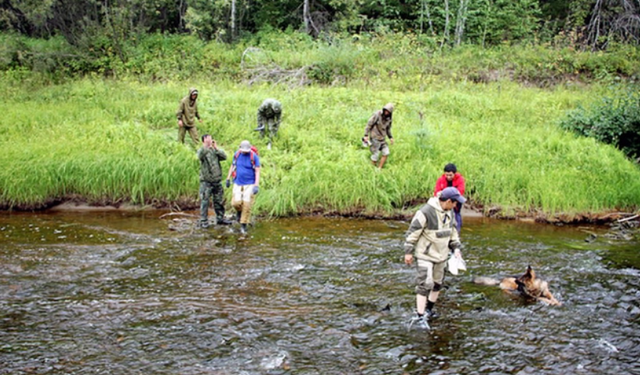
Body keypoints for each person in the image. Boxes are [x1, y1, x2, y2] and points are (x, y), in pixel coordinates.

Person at [404, 187, 466, 330]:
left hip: (442, 255)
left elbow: (453, 233)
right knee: (425, 283)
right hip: (425, 255)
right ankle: (420, 316)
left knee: (438, 283)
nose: (456, 206)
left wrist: (456, 249)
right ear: (449, 201)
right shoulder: (425, 212)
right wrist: (408, 251)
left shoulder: (450, 212)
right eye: (455, 203)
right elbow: (412, 232)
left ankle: (429, 310)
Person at [225, 140, 261, 234]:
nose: (244, 152)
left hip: (250, 183)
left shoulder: (254, 157)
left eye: (246, 151)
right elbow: (232, 166)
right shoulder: (237, 154)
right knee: (235, 203)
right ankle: (239, 212)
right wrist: (228, 178)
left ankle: (243, 225)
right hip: (237, 182)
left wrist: (256, 185)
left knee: (247, 205)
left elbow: (257, 171)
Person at [197, 134, 232, 228]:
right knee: (205, 201)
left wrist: (216, 148)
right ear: (204, 140)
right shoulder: (202, 150)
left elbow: (224, 157)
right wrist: (206, 146)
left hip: (217, 180)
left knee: (219, 200)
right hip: (206, 181)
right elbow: (200, 156)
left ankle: (220, 218)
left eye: (211, 138)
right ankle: (204, 220)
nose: (210, 140)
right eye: (208, 139)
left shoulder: (214, 151)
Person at [434, 163, 466, 233]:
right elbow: (437, 192)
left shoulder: (460, 179)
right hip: (445, 201)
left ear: (454, 173)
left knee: (456, 214)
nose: (448, 177)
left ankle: (457, 231)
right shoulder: (441, 180)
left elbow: (461, 190)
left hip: (456, 200)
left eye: (450, 175)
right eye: (447, 175)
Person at [363, 103, 394, 169]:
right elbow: (369, 124)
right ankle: (371, 169)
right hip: (375, 137)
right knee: (375, 155)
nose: (386, 112)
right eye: (385, 110)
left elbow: (388, 129)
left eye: (388, 111)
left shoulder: (389, 119)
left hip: (382, 138)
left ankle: (379, 168)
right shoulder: (377, 115)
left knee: (386, 153)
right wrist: (366, 135)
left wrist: (390, 137)